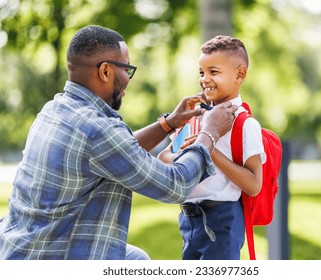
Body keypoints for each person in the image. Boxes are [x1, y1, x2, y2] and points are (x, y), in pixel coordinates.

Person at [0, 26, 237, 260]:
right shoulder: (98, 129)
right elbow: (174, 186)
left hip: (20, 249)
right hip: (55, 260)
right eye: (128, 70)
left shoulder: (55, 109)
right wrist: (210, 132)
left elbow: (117, 152)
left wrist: (168, 124)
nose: (129, 80)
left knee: (137, 259)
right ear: (105, 71)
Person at [158, 35, 266, 260]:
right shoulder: (194, 117)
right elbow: (163, 156)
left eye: (213, 72)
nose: (204, 79)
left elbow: (254, 185)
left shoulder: (245, 125)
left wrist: (208, 148)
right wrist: (186, 154)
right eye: (201, 72)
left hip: (223, 218)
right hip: (189, 219)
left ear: (240, 74)